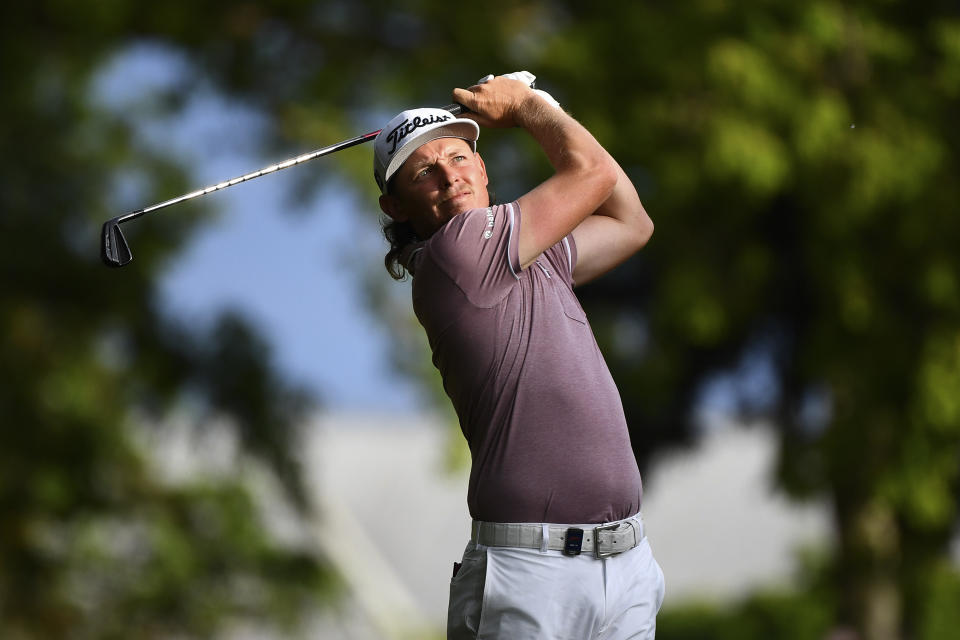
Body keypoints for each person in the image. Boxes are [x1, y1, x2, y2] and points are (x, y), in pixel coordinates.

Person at [372, 71, 663, 639]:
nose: (449, 176)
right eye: (424, 173)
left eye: (459, 158)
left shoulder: (534, 257)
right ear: (397, 205)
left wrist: (545, 110)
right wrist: (530, 107)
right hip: (531, 572)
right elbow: (594, 173)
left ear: (482, 170)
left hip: (626, 561)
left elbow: (632, 221)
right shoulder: (456, 253)